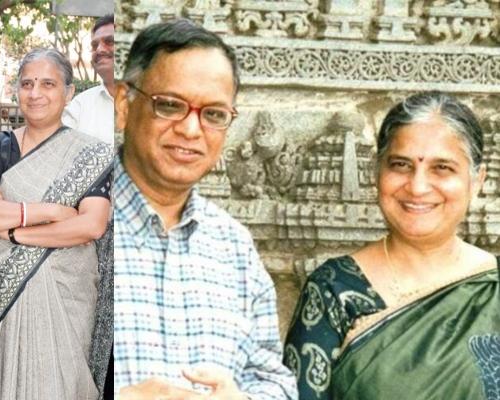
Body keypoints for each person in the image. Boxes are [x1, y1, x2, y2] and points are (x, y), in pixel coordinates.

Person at [114, 19, 298, 399]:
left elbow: (275, 383)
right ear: (123, 106)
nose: (191, 130)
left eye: (213, 114)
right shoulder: (72, 223)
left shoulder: (233, 247)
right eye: (170, 105)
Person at [284, 91, 500, 399]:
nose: (418, 186)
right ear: (377, 172)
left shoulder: (492, 288)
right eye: (401, 165)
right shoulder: (336, 289)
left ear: (477, 181)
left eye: (442, 168)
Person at [0, 47, 113, 399]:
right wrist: (50, 211)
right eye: (27, 84)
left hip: (68, 297)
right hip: (5, 296)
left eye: (48, 84)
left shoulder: (92, 154)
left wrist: (14, 232)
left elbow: (90, 226)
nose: (35, 93)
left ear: (68, 93)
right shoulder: (0, 147)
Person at [62, 14, 114, 144]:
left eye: (110, 41)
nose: (99, 50)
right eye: (95, 45)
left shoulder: (157, 100)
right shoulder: (80, 107)